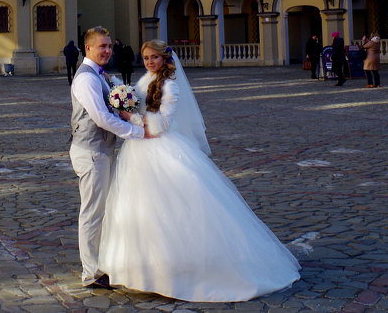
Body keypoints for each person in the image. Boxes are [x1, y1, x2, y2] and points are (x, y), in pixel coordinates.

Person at [99, 40, 300, 301]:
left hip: (161, 149)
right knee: (143, 210)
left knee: (174, 210)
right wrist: (119, 93)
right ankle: (147, 269)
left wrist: (129, 117)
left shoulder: (170, 86)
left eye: (154, 58)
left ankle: (185, 268)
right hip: (138, 153)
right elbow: (137, 101)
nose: (149, 62)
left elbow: (161, 125)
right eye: (146, 57)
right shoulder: (145, 78)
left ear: (165, 59)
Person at [69, 26, 146, 289]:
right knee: (92, 213)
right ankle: (90, 272)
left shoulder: (101, 75)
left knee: (101, 210)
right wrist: (135, 132)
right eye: (102, 46)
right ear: (87, 48)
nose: (107, 50)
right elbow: (100, 117)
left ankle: (101, 263)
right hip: (90, 152)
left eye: (110, 46)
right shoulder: (86, 78)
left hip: (100, 151)